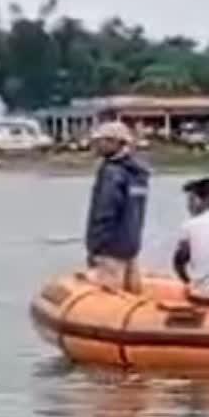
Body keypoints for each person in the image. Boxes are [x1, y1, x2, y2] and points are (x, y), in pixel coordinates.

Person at [84, 121, 150, 294]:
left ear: (116, 143)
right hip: (131, 245)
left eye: (102, 141)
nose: (96, 145)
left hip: (110, 248)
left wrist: (95, 247)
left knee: (108, 298)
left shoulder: (111, 173)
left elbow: (104, 212)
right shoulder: (138, 174)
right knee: (132, 293)